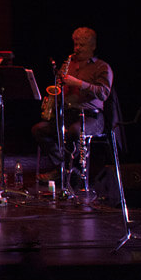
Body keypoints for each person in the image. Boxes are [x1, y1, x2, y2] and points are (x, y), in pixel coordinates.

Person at [32, 27, 113, 181]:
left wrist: (78, 83)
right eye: (76, 44)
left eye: (82, 45)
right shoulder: (69, 65)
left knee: (74, 131)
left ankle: (70, 171)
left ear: (93, 46)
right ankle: (63, 167)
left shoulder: (102, 67)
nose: (77, 48)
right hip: (68, 114)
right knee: (39, 129)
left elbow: (103, 93)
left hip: (92, 117)